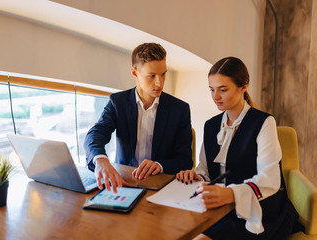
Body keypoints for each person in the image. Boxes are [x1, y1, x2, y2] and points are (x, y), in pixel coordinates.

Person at [176, 57, 298, 239]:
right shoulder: (211, 126)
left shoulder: (264, 122)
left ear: (243, 87)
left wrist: (229, 194)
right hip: (221, 207)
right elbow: (205, 172)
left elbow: (270, 180)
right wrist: (196, 176)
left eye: (223, 90)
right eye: (212, 90)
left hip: (259, 209)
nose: (215, 97)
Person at [84, 43, 193, 193]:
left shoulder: (180, 109)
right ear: (134, 73)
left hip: (161, 187)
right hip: (123, 182)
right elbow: (96, 133)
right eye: (152, 75)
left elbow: (185, 161)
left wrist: (160, 165)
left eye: (163, 74)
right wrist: (100, 159)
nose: (159, 83)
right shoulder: (118, 102)